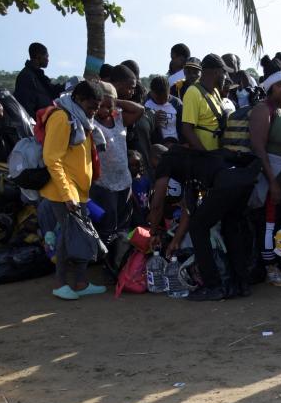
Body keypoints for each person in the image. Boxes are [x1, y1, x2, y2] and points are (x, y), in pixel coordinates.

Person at [148, 144, 260, 301]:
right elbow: (188, 207)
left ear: (157, 158)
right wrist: (176, 239)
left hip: (226, 181)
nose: (155, 170)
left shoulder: (165, 161)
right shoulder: (188, 157)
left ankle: (213, 286)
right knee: (231, 227)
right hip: (245, 180)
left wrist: (152, 232)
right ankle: (242, 284)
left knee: (198, 228)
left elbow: (156, 203)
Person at [40, 79, 106, 301]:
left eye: (97, 107)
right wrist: (68, 195)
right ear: (78, 99)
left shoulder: (81, 118)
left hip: (79, 192)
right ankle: (60, 283)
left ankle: (81, 282)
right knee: (67, 238)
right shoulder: (62, 118)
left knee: (79, 236)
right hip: (64, 193)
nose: (94, 112)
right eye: (91, 107)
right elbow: (52, 159)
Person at [248, 56, 281, 286]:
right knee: (269, 222)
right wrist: (271, 181)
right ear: (270, 87)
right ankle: (270, 266)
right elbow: (259, 147)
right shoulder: (264, 109)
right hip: (272, 177)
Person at [90, 81, 145, 243]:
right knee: (107, 226)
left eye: (109, 106)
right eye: (102, 105)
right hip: (104, 184)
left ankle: (120, 259)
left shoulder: (119, 117)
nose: (106, 110)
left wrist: (115, 101)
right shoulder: (90, 122)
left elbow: (140, 109)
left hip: (124, 181)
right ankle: (105, 261)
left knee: (124, 225)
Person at [181, 55, 226, 152]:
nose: (225, 76)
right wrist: (204, 155)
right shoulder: (193, 93)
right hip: (204, 158)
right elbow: (187, 130)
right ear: (216, 72)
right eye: (224, 72)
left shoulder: (216, 92)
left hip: (217, 155)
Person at [15, 42, 56, 116]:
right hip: (35, 125)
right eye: (46, 56)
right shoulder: (26, 77)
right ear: (38, 56)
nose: (48, 60)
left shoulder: (40, 77)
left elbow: (53, 90)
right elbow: (26, 107)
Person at [144, 75, 179, 144]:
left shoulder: (177, 104)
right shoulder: (146, 104)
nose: (162, 101)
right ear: (152, 93)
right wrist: (152, 120)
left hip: (175, 146)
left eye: (164, 98)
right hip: (155, 146)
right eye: (158, 99)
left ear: (169, 91)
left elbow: (183, 127)